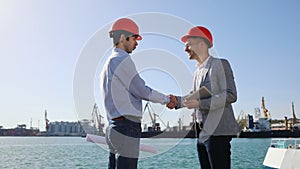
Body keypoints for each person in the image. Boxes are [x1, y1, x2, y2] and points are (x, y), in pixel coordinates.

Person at [100, 18, 177, 169]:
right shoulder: (122, 60)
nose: (137, 43)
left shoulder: (107, 64)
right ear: (123, 38)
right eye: (135, 38)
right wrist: (167, 99)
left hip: (114, 127)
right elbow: (142, 90)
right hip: (127, 126)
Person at [167, 26, 240, 169]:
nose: (185, 49)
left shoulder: (220, 64)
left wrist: (200, 104)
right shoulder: (197, 72)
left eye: (188, 45)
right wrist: (177, 101)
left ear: (201, 44)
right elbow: (195, 95)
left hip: (218, 131)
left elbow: (231, 95)